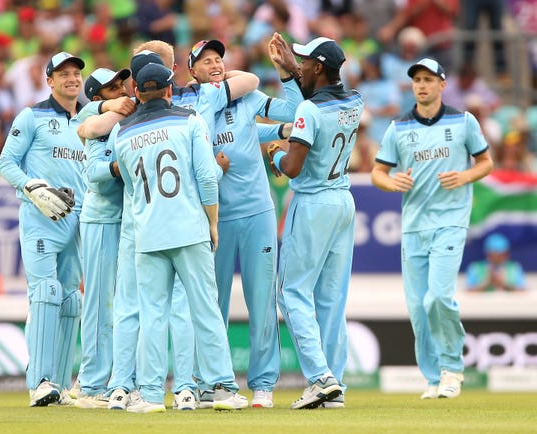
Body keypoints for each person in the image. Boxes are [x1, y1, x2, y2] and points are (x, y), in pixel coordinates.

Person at [112, 62, 247, 413]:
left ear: (138, 93)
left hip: (148, 234)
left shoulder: (121, 133)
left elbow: (128, 183)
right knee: (205, 309)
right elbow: (206, 176)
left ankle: (152, 395)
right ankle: (221, 389)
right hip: (189, 229)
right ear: (171, 89)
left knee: (152, 315)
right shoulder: (190, 120)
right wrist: (213, 223)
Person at [187, 34, 303, 409]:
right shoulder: (189, 107)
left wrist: (287, 77)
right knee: (211, 305)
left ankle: (264, 385)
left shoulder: (247, 97)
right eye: (205, 61)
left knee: (261, 301)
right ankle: (211, 383)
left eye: (218, 58)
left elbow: (295, 113)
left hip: (257, 213)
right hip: (212, 218)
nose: (214, 64)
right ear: (192, 71)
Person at [371, 58, 494, 400]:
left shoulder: (464, 121)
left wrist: (465, 176)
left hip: (450, 221)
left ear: (442, 84)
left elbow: (486, 162)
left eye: (428, 79)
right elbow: (378, 172)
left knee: (438, 296)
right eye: (416, 80)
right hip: (413, 227)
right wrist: (391, 181)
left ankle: (452, 368)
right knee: (418, 309)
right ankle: (432, 377)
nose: (421, 85)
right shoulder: (398, 128)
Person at [267, 37, 363, 410]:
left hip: (312, 202)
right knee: (332, 299)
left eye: (307, 60)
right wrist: (292, 70)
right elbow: (313, 90)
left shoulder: (309, 110)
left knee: (290, 293)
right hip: (343, 199)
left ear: (319, 68)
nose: (301, 64)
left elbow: (293, 167)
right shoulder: (355, 99)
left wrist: (276, 156)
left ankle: (320, 379)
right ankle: (334, 384)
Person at [0, 51, 87, 407]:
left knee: (70, 300)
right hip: (41, 219)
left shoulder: (89, 120)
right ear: (49, 81)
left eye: (76, 73)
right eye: (63, 74)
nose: (72, 79)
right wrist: (31, 187)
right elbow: (6, 162)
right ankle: (40, 382)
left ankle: (60, 386)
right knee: (46, 291)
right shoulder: (32, 116)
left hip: (76, 219)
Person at [73, 66, 135, 409]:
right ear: (98, 97)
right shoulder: (95, 122)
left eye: (122, 83)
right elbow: (96, 175)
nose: (122, 90)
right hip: (99, 220)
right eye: (112, 88)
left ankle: (117, 379)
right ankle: (91, 383)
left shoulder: (123, 116)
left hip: (125, 220)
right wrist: (121, 167)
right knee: (98, 303)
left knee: (123, 304)